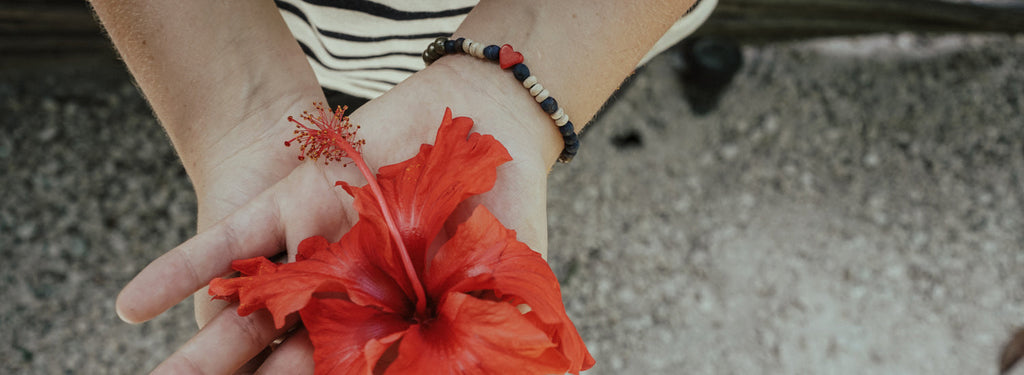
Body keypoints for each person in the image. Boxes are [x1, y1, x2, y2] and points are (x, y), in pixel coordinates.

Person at [89, 0, 712, 373]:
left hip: (592, 32)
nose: (365, 171)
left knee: (574, 111)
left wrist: (524, 85)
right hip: (299, 36)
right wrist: (235, 98)